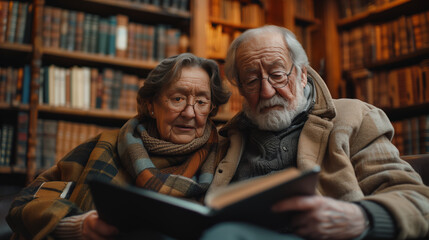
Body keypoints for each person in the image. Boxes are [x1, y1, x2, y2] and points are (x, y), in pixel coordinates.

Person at [198, 25, 429, 240]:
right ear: (240, 89)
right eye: (251, 80)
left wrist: (362, 216)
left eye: (277, 75)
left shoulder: (355, 117)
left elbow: (417, 199)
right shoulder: (226, 139)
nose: (267, 92)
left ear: (302, 74)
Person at [6, 53, 231, 240]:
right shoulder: (105, 145)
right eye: (178, 99)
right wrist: (78, 225)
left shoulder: (227, 155)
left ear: (211, 109)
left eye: (201, 102)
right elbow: (25, 203)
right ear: (151, 105)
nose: (190, 113)